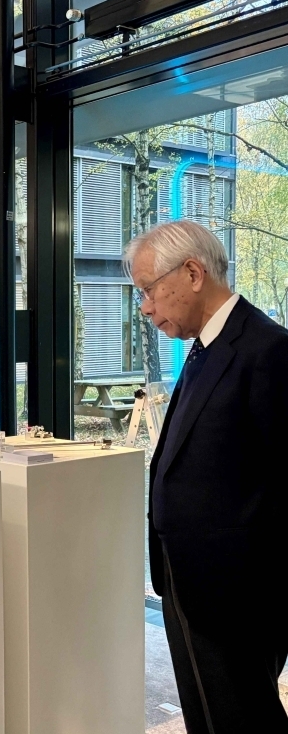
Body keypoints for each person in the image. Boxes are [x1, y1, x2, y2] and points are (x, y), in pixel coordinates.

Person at [126, 220, 288, 733]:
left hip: (235, 594)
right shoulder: (206, 347)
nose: (145, 307)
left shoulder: (267, 350)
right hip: (192, 582)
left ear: (193, 273)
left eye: (148, 290)